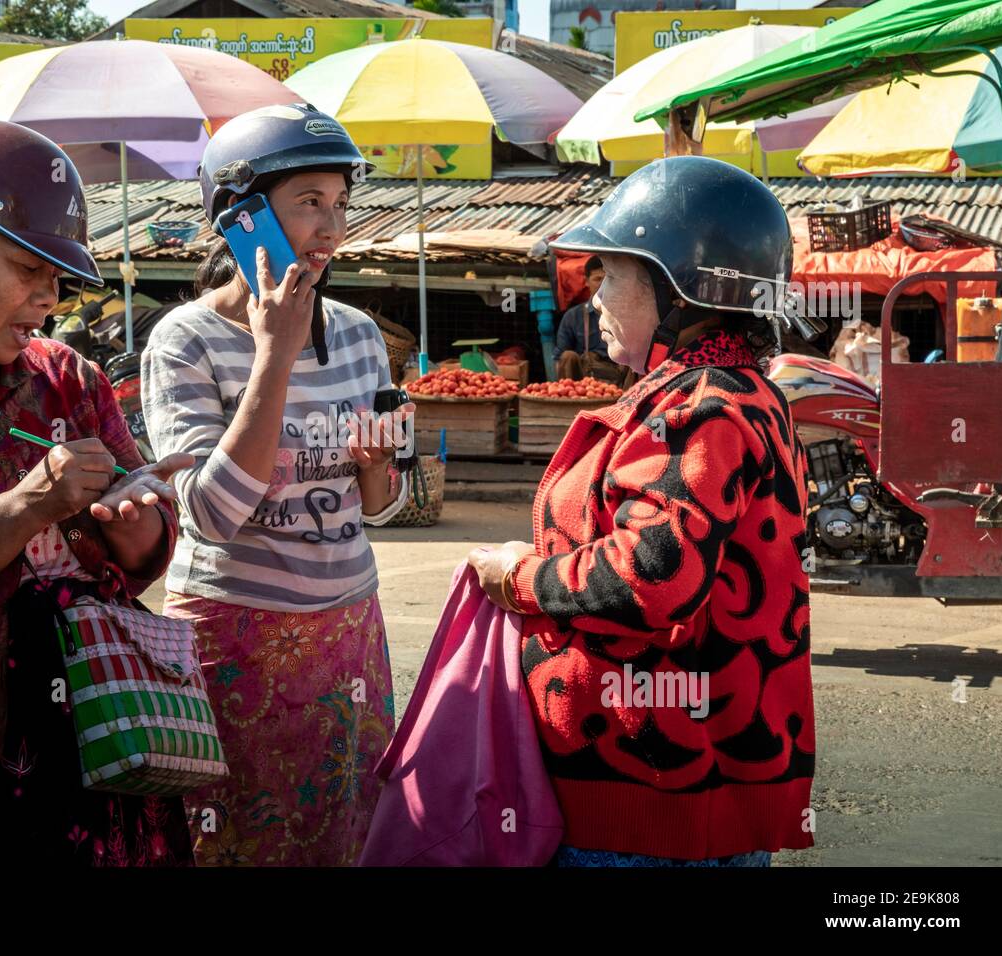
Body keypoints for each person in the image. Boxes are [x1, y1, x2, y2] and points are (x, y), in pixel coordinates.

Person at [468, 156, 820, 867]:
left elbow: (650, 577)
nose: (592, 297)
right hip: (648, 782)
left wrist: (522, 577)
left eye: (611, 274)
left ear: (679, 292)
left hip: (655, 804)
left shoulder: (704, 408)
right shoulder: (714, 393)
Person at [0, 120, 195, 867]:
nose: (45, 302)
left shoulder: (70, 380)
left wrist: (135, 526)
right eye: (27, 271)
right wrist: (30, 505)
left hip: (112, 742)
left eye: (58, 282)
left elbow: (148, 548)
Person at [140, 104, 412, 866]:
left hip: (349, 631)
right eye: (309, 204)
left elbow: (382, 508)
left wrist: (373, 465)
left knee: (343, 831)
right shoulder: (184, 340)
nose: (332, 228)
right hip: (236, 639)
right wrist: (274, 355)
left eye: (340, 204)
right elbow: (212, 516)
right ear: (244, 218)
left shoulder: (360, 334)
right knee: (234, 839)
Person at [555, 256, 608, 380]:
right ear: (586, 282)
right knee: (567, 356)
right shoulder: (573, 316)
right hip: (584, 379)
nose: (602, 285)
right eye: (597, 279)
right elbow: (559, 359)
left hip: (617, 375)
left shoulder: (624, 314)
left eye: (607, 279)